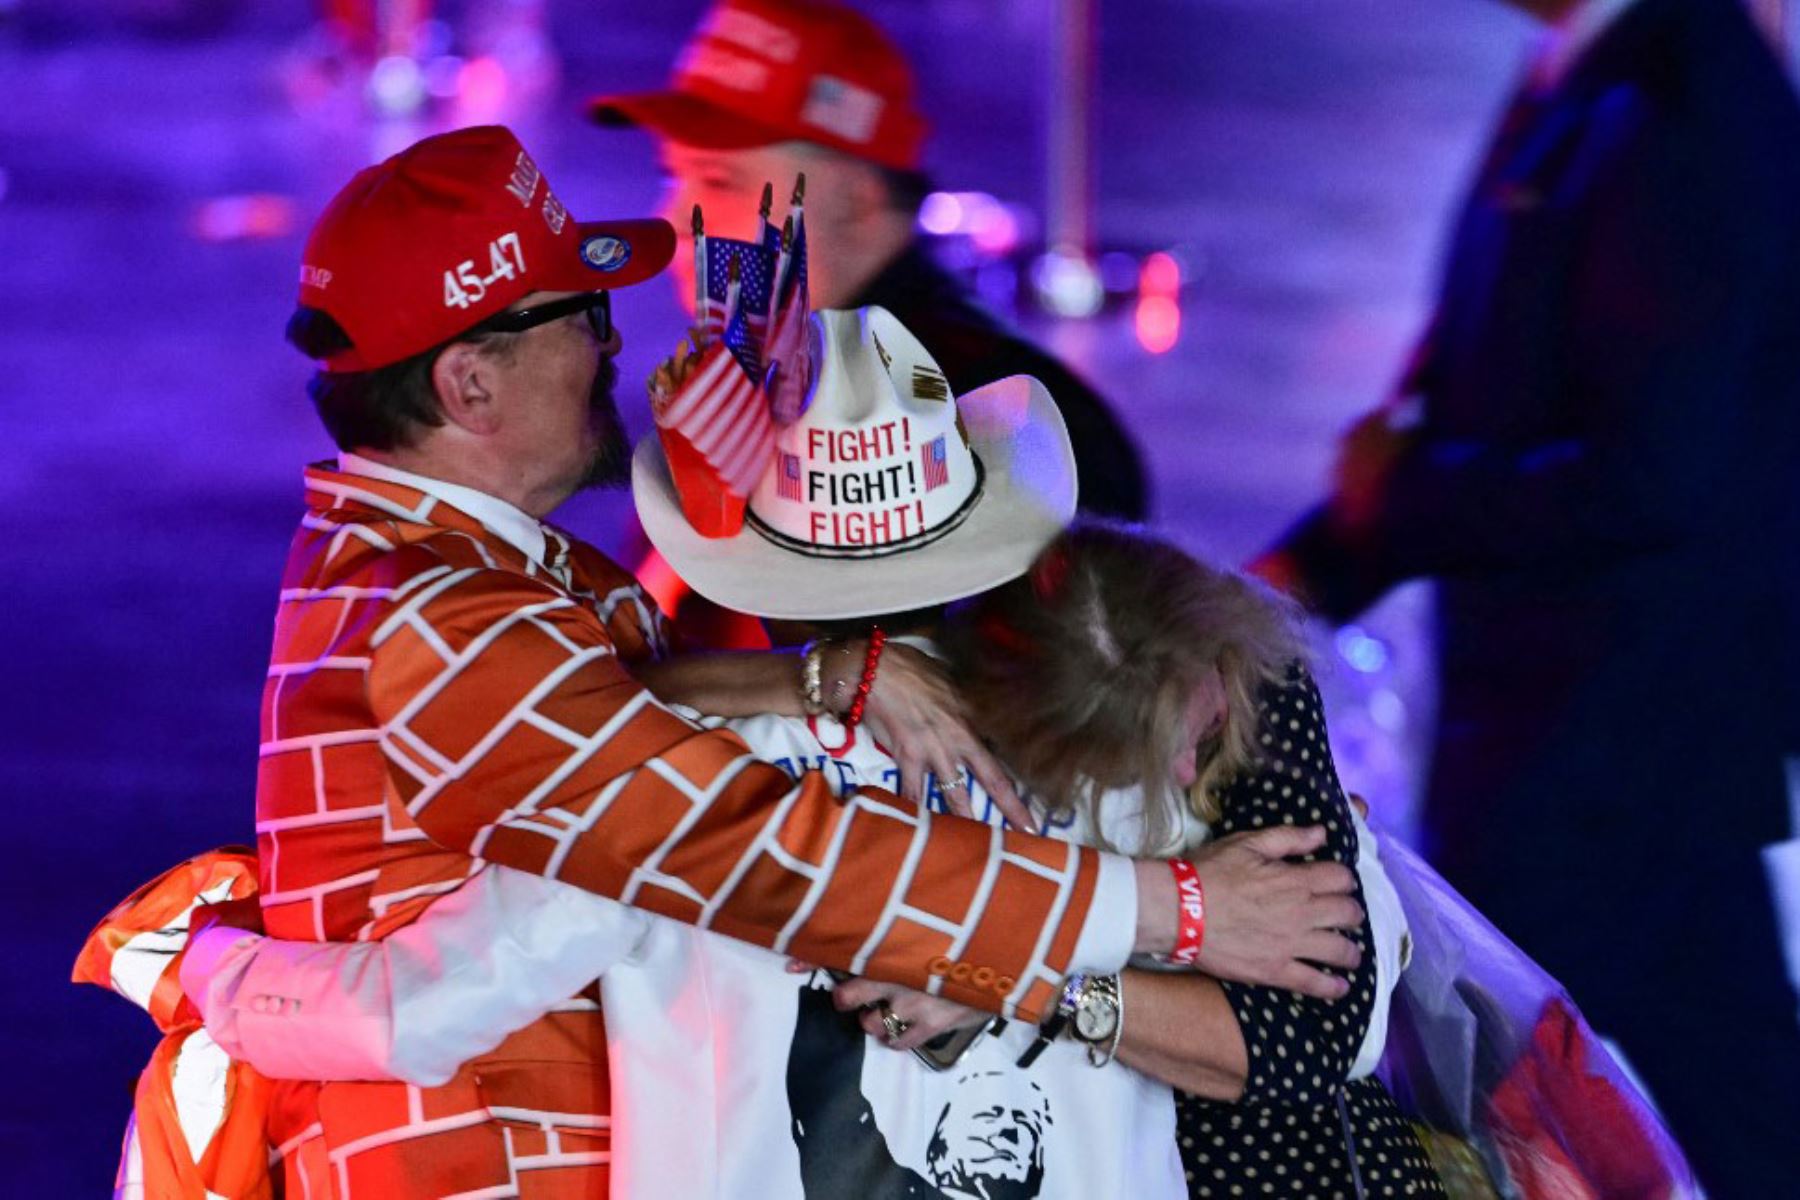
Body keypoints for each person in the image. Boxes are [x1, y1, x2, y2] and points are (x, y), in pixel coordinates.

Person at [84, 123, 1355, 1198]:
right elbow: (746, 848)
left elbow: (630, 770)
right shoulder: (445, 612)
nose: (614, 343)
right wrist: (1165, 918)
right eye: (581, 313)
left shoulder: (465, 590)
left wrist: (211, 962)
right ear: (469, 385)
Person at [1249, 0, 1800, 1189]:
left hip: (1620, 740)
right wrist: (1310, 573)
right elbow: (1484, 400)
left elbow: (1656, 474)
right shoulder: (1587, 73)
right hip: (1586, 737)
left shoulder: (1685, 110)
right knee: (1710, 1077)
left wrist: (1393, 508)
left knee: (1490, 1075)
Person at [587, 0, 1150, 523]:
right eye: (673, 174)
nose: (675, 215)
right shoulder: (769, 382)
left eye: (719, 180)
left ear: (858, 199)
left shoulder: (988, 422)